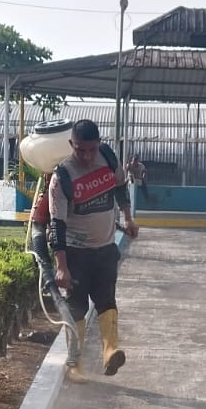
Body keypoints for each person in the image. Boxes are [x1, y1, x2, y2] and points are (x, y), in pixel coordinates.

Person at [48, 119, 139, 380]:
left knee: (106, 300)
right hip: (76, 253)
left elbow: (120, 186)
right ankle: (75, 364)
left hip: (105, 250)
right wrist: (61, 266)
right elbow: (57, 225)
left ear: (99, 144)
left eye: (91, 149)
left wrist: (128, 218)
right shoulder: (62, 177)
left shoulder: (108, 158)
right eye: (80, 150)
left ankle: (110, 351)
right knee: (77, 307)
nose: (87, 156)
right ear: (71, 145)